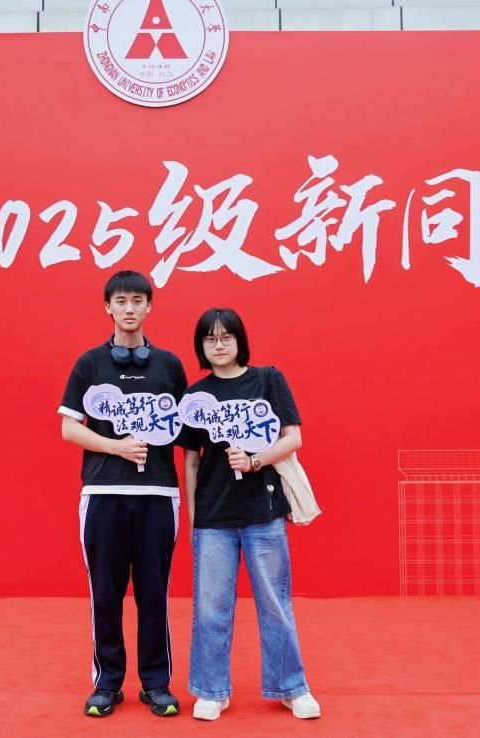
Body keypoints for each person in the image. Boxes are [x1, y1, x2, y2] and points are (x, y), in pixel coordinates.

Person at [58, 270, 188, 718]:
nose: (129, 309)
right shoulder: (89, 364)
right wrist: (116, 446)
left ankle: (156, 683)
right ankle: (108, 682)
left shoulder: (169, 365)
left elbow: (187, 428)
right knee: (105, 593)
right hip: (103, 493)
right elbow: (69, 427)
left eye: (137, 301)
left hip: (158, 494)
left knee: (154, 593)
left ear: (150, 306)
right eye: (121, 301)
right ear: (107, 307)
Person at [182, 307, 320, 721]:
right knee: (211, 608)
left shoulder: (267, 380)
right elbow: (191, 460)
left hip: (263, 511)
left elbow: (293, 438)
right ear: (201, 346)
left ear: (240, 340)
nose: (219, 345)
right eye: (210, 339)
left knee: (275, 603)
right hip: (213, 516)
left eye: (226, 336)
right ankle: (212, 690)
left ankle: (291, 687)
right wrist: (193, 518)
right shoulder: (195, 397)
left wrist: (255, 461)